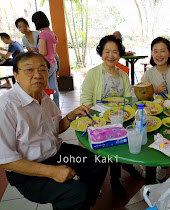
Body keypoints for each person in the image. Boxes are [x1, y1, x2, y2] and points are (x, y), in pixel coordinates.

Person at [0, 52, 108, 209]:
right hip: (27, 170)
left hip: (55, 153)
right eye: (29, 70)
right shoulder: (6, 107)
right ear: (16, 74)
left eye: (43, 70)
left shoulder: (43, 98)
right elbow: (6, 160)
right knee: (74, 192)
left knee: (99, 161)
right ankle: (78, 198)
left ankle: (86, 202)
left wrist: (71, 116)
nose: (37, 75)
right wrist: (52, 172)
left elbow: (56, 129)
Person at [81, 35, 141, 199]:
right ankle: (115, 179)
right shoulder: (94, 74)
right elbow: (86, 100)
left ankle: (125, 167)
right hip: (101, 121)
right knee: (111, 148)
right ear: (101, 53)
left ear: (119, 54)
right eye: (107, 51)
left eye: (115, 52)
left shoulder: (123, 75)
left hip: (121, 118)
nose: (111, 56)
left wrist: (128, 111)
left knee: (127, 138)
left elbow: (128, 98)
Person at [32, 11, 60, 108]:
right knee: (54, 87)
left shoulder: (43, 34)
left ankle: (45, 109)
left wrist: (35, 52)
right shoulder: (51, 33)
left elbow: (43, 52)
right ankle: (57, 108)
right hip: (53, 63)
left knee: (42, 89)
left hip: (46, 65)